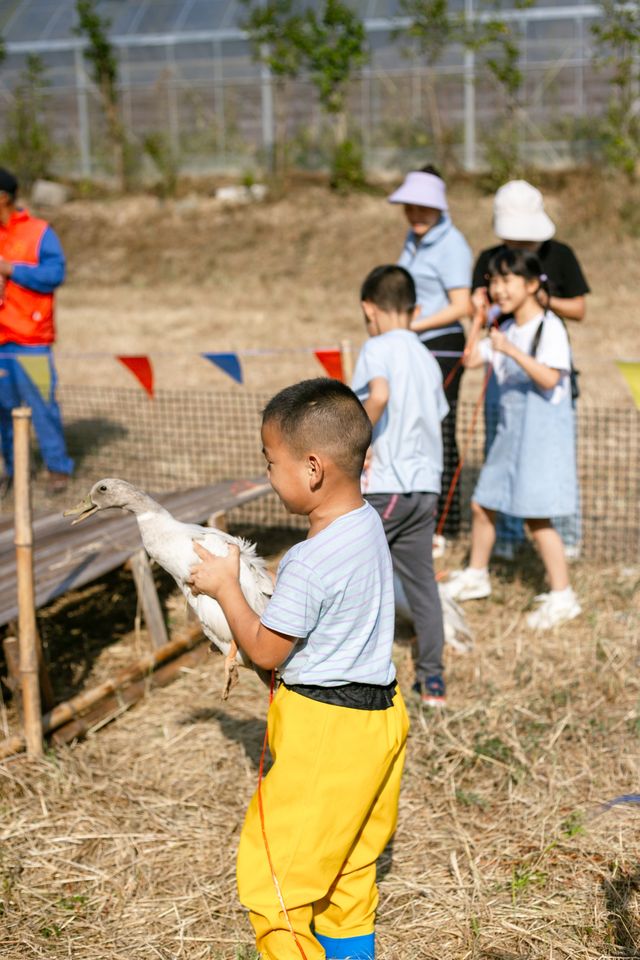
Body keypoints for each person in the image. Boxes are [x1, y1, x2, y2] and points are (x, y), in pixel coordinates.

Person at [186, 378, 409, 960]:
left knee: (277, 885)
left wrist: (225, 586)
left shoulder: (309, 560)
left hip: (324, 732)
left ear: (312, 469)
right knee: (348, 874)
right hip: (381, 720)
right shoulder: (366, 524)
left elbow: (265, 651)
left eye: (271, 462)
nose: (268, 475)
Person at [444, 248, 582, 630]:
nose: (500, 289)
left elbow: (552, 378)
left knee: (537, 517)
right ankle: (477, 574)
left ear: (533, 284)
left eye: (508, 280)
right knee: (483, 503)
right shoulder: (504, 327)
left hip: (540, 437)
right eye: (494, 281)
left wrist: (510, 351)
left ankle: (563, 594)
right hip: (510, 434)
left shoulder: (547, 326)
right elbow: (471, 358)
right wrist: (477, 316)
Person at [471, 180, 590, 558]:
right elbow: (481, 315)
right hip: (503, 367)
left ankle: (566, 539)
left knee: (550, 461)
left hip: (541, 364)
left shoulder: (562, 255)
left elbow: (580, 309)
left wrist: (541, 300)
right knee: (501, 450)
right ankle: (506, 537)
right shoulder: (490, 259)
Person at [352, 264, 448, 707]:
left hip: (384, 486)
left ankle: (351, 675)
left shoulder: (376, 347)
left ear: (369, 309)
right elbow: (439, 415)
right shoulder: (427, 357)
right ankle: (433, 683)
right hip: (425, 488)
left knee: (352, 574)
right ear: (415, 308)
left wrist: (353, 442)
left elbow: (380, 395)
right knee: (423, 584)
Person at [388, 164, 472, 537]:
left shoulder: (452, 244)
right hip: (414, 343)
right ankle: (419, 517)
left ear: (439, 207)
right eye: (410, 206)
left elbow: (461, 305)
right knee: (415, 428)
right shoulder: (413, 238)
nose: (415, 214)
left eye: (423, 207)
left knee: (441, 427)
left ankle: (446, 524)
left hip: (442, 345)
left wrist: (410, 324)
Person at [0, 166, 73, 497]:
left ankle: (57, 468)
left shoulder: (39, 232)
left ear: (4, 198)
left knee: (43, 406)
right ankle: (15, 471)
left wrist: (12, 269)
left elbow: (55, 273)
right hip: (1, 341)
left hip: (32, 341)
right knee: (3, 410)